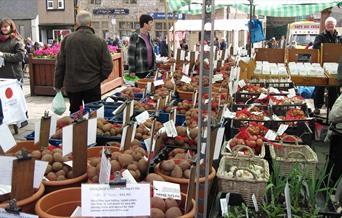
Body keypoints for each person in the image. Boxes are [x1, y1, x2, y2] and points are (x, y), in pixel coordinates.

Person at [54, 10, 113, 114]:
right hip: (93, 84)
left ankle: (76, 130)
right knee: (93, 115)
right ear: (90, 23)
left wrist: (58, 85)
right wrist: (98, 78)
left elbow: (60, 65)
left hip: (73, 86)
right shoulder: (99, 41)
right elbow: (108, 65)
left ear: (77, 23)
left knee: (75, 115)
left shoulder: (67, 40)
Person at [312, 17, 341, 115]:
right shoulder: (320, 36)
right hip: (322, 66)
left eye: (331, 23)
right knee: (320, 87)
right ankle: (317, 107)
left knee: (333, 88)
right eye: (328, 23)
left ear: (335, 25)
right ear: (325, 25)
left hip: (334, 67)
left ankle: (332, 108)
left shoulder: (338, 37)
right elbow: (315, 48)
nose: (330, 25)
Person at [128, 14, 156, 78]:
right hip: (140, 71)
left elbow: (152, 53)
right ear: (145, 24)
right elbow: (131, 55)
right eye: (151, 23)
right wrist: (132, 70)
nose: (152, 25)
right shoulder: (135, 36)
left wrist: (154, 68)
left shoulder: (149, 36)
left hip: (150, 71)